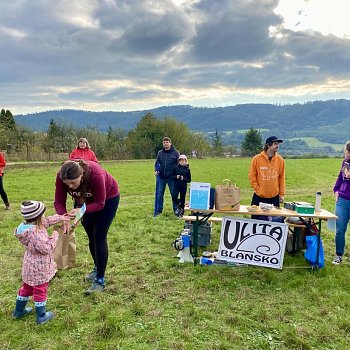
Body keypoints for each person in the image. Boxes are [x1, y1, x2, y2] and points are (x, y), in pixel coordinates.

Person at [54, 159, 120, 294]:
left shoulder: (96, 174)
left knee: (99, 236)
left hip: (108, 200)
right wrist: (64, 217)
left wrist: (82, 210)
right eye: (68, 184)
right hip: (83, 201)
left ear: (81, 174)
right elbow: (59, 201)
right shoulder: (61, 177)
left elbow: (100, 203)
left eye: (73, 182)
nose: (71, 186)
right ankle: (97, 268)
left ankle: (100, 280)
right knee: (90, 234)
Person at [12, 200, 70, 324]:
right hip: (40, 269)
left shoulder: (27, 226)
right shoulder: (36, 234)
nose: (45, 216)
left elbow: (46, 221)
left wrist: (61, 218)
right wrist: (55, 234)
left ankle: (18, 311)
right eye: (43, 214)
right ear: (38, 217)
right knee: (40, 291)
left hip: (29, 267)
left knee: (26, 288)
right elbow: (47, 248)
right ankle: (41, 316)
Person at [248, 136, 285, 209]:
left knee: (274, 219)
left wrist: (281, 194)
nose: (277, 146)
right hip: (259, 197)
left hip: (274, 197)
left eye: (278, 144)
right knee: (257, 219)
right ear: (268, 145)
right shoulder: (256, 159)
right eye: (275, 144)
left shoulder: (280, 160)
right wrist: (258, 190)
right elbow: (252, 176)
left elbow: (281, 178)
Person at [332, 140, 350, 265]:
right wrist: (336, 190)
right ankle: (339, 255)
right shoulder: (345, 163)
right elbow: (340, 177)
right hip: (342, 200)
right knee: (340, 230)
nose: (344, 152)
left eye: (346, 150)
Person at [154, 137, 180, 215]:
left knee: (174, 195)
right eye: (164, 142)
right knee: (159, 194)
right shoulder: (160, 153)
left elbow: (179, 165)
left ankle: (176, 210)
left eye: (167, 142)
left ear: (170, 143)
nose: (165, 143)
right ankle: (159, 210)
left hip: (172, 178)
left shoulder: (176, 153)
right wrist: (156, 171)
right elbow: (157, 163)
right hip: (161, 177)